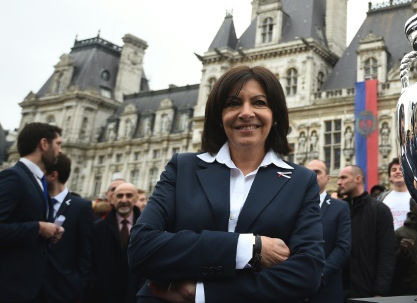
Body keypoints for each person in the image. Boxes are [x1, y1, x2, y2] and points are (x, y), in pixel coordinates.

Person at [128, 66, 324, 302]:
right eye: (233, 103)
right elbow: (142, 248)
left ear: (275, 115)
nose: (246, 112)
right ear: (219, 117)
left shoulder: (301, 181)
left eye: (259, 102)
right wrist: (249, 247)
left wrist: (201, 293)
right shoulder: (183, 168)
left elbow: (306, 274)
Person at [0, 122, 64, 303]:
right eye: (58, 144)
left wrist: (50, 231)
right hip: (10, 289)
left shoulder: (37, 180)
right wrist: (38, 228)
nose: (60, 151)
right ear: (44, 144)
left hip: (32, 287)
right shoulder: (13, 177)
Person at [337, 164, 396, 298]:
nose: (339, 182)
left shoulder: (380, 211)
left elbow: (387, 253)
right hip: (337, 290)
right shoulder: (338, 210)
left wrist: (380, 291)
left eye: (343, 178)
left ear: (358, 179)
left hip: (367, 290)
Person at [44, 153, 94, 303]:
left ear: (53, 175)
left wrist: (79, 289)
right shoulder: (35, 202)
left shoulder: (81, 206)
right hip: (30, 289)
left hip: (64, 291)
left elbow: (86, 252)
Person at [89, 182, 143, 302]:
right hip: (102, 296)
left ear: (136, 198)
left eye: (129, 195)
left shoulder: (146, 229)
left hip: (135, 295)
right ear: (113, 199)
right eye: (119, 196)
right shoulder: (97, 228)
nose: (124, 200)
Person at [306, 159, 351, 303]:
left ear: (328, 178)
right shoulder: (293, 205)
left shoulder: (340, 208)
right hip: (295, 285)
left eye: (317, 172)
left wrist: (320, 274)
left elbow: (343, 247)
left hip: (327, 286)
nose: (312, 176)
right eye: (309, 172)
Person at [379, 158, 411, 230]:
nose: (398, 172)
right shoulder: (382, 198)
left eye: (401, 169)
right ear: (390, 177)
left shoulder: (416, 198)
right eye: (394, 170)